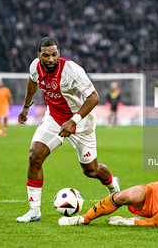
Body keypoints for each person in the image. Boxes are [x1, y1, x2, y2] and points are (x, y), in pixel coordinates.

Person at [16, 37, 120, 223]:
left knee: (91, 170)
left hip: (81, 123)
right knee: (35, 155)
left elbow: (94, 97)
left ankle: (113, 185)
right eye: (46, 55)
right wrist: (26, 106)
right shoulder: (35, 67)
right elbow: (32, 81)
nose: (50, 59)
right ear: (38, 55)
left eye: (54, 55)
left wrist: (73, 121)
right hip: (54, 118)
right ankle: (34, 211)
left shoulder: (71, 70)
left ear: (59, 54)